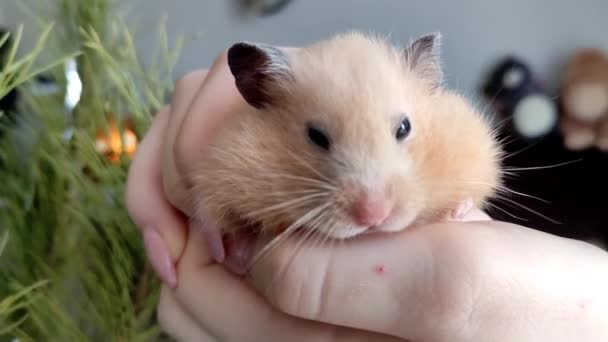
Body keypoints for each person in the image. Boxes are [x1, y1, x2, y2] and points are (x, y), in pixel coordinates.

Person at [125, 47, 608, 342]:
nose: (373, 209)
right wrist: (216, 214)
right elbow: (222, 175)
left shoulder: (454, 133)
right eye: (318, 137)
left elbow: (479, 158)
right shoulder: (255, 142)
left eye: (402, 130)